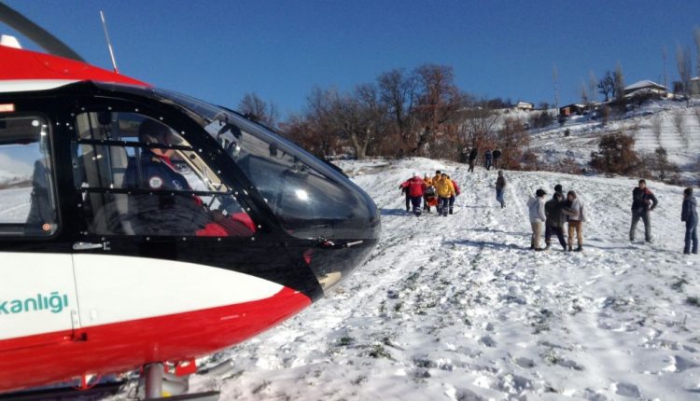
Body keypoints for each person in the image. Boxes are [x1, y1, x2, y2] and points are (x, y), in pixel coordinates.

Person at [629, 179, 658, 243]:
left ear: (645, 185)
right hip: (636, 209)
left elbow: (655, 201)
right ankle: (631, 238)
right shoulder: (635, 190)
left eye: (642, 184)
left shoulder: (648, 192)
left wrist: (651, 208)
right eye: (640, 184)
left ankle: (648, 238)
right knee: (634, 224)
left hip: (645, 210)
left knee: (647, 225)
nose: (641, 185)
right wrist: (644, 201)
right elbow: (635, 198)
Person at [681, 187, 698, 254]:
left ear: (686, 193)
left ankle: (687, 250)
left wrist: (684, 218)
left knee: (688, 234)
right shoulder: (693, 199)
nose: (683, 194)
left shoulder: (687, 200)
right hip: (695, 217)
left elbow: (687, 210)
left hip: (690, 218)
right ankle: (695, 249)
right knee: (694, 234)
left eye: (684, 193)